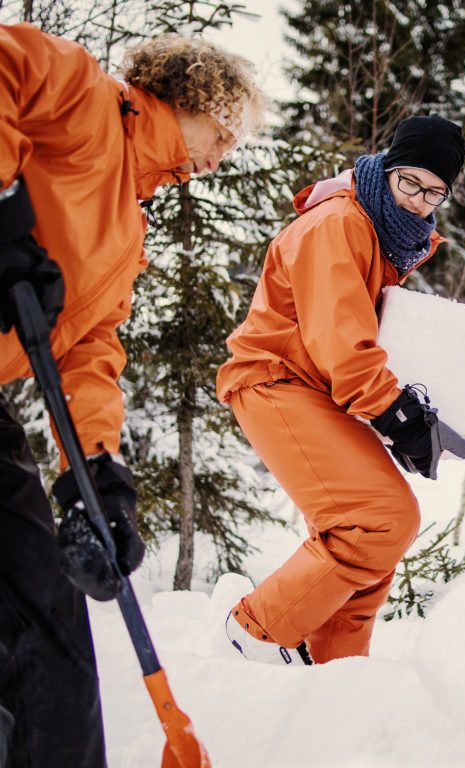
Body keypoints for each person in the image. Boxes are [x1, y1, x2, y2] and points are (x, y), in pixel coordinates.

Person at [0, 24, 263, 767]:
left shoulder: (125, 226)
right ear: (190, 99)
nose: (220, 158)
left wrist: (99, 476)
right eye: (223, 133)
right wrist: (4, 208)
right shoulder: (85, 100)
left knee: (46, 620)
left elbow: (87, 353)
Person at [217, 115, 465, 665]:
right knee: (380, 520)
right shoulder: (340, 224)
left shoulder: (384, 234)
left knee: (368, 534)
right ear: (388, 169)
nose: (419, 202)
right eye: (410, 183)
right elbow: (340, 340)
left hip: (320, 387)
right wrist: (394, 413)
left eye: (434, 192)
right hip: (276, 378)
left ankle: (338, 672)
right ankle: (254, 633)